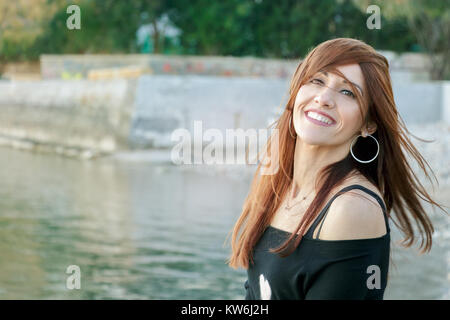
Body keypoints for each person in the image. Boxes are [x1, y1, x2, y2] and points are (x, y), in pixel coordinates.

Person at [226, 38, 445, 300]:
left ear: (368, 125)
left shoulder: (351, 208)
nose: (324, 98)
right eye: (317, 80)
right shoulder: (278, 183)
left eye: (348, 92)